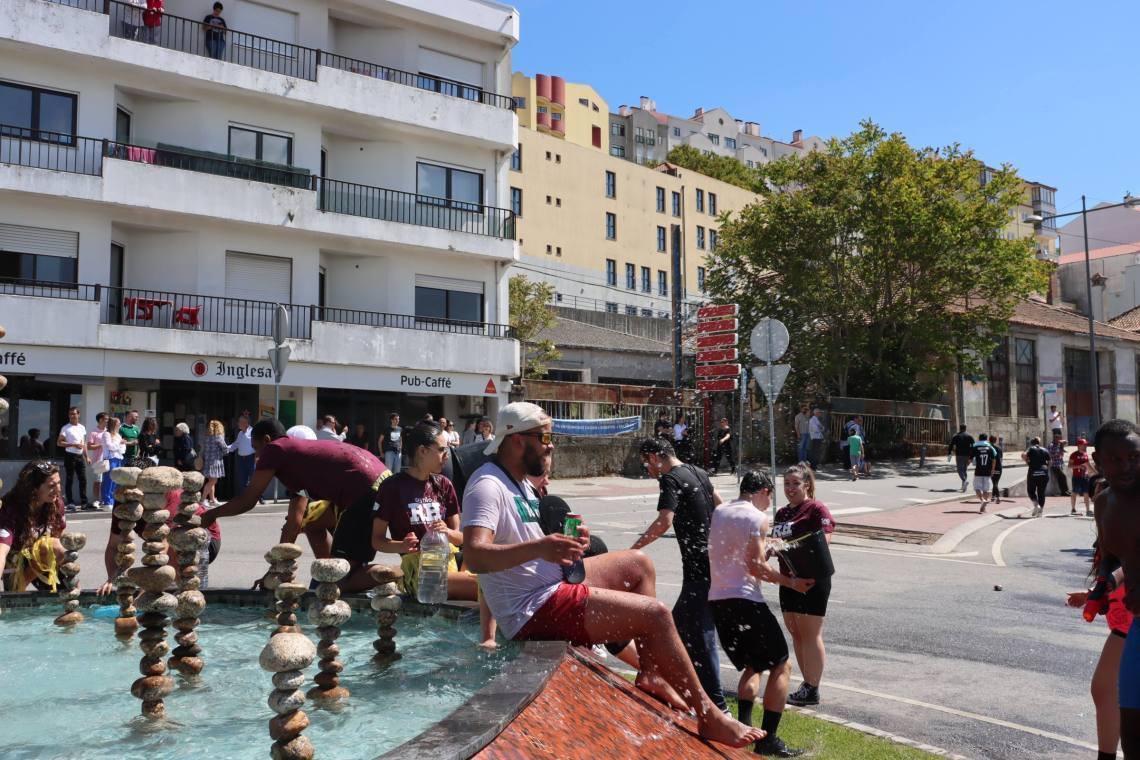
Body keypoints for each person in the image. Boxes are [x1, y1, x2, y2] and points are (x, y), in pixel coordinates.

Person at [459, 402, 764, 748]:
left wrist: (573, 540)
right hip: (531, 609)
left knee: (640, 564)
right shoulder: (487, 485)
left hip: (552, 586)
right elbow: (475, 556)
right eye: (544, 437)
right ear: (516, 440)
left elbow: (530, 542)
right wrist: (540, 548)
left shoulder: (522, 484)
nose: (551, 445)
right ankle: (710, 715)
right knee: (656, 615)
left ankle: (650, 673)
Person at [201, 419, 391, 591]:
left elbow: (248, 501)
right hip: (380, 478)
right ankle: (327, 572)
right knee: (313, 524)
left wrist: (210, 515)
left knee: (341, 583)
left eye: (256, 448)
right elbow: (295, 524)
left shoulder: (275, 449)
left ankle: (397, 574)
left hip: (366, 490)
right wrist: (275, 572)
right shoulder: (297, 459)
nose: (257, 456)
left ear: (267, 440)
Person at [709, 470, 811, 758]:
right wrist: (791, 582)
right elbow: (755, 566)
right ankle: (768, 739)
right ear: (764, 491)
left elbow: (736, 554)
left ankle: (743, 729)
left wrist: (765, 551)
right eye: (770, 496)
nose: (770, 504)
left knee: (754, 665)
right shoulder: (757, 517)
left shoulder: (720, 512)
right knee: (782, 665)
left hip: (718, 600)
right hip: (745, 600)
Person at [634, 437, 727, 712]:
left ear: (654, 457)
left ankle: (718, 706)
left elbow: (664, 521)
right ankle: (681, 689)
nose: (648, 471)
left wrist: (634, 550)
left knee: (698, 635)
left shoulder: (670, 479)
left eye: (646, 464)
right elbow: (721, 507)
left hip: (699, 569)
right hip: (712, 563)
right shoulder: (698, 472)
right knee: (678, 630)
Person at [372, 423, 482, 606]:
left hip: (452, 561)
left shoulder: (444, 485)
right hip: (421, 571)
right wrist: (403, 546)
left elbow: (461, 538)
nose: (447, 455)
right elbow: (377, 540)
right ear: (423, 451)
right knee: (488, 586)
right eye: (442, 449)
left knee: (500, 575)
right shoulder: (392, 487)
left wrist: (448, 532)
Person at [1089, 419, 1140, 757]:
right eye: (1116, 459)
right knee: (1132, 729)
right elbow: (1112, 556)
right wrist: (1105, 583)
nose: (1127, 466)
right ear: (1098, 460)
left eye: (1134, 457)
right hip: (1138, 624)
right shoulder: (1104, 503)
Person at [773, 463, 836, 707]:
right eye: (787, 484)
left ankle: (812, 687)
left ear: (806, 485)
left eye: (795, 483)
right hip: (789, 579)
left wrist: (794, 547)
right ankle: (806, 683)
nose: (790, 488)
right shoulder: (782, 513)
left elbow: (825, 538)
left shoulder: (815, 508)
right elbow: (776, 541)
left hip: (812, 578)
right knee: (796, 632)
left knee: (810, 634)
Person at [1067, 541, 1131, 760]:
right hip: (1126, 627)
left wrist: (1103, 587)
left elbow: (1126, 568)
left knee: (1106, 690)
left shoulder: (1125, 532)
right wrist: (1092, 595)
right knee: (1107, 690)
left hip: (1129, 628)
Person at [0, 461, 67, 592]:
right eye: (51, 486)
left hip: (41, 555)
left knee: (56, 548)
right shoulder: (10, 508)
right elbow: (1, 551)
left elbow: (58, 541)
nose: (58, 490)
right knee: (14, 599)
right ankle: (18, 590)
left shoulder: (56, 504)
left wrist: (71, 578)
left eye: (59, 483)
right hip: (14, 557)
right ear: (33, 488)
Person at [56, 406, 89, 512]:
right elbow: (59, 442)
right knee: (69, 479)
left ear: (78, 415)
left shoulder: (82, 427)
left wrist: (87, 456)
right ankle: (70, 502)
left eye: (74, 414)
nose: (72, 416)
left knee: (83, 479)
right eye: (70, 414)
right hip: (70, 455)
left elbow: (83, 443)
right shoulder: (66, 428)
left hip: (80, 456)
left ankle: (84, 502)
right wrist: (73, 445)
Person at [99, 417, 126, 511]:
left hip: (118, 459)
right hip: (110, 459)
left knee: (116, 481)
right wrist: (119, 444)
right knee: (108, 480)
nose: (120, 425)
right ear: (114, 424)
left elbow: (123, 449)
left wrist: (119, 445)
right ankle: (107, 502)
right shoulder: (106, 434)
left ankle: (113, 500)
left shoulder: (118, 435)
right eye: (118, 423)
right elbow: (110, 446)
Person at [1022, 437, 1051, 518]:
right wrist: (1046, 469)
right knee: (1041, 492)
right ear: (1039, 443)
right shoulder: (1045, 450)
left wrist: (1027, 461)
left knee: (1031, 491)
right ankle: (1040, 511)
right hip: (1043, 473)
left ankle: (1036, 505)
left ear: (1032, 443)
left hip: (1033, 472)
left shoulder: (1030, 449)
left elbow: (1024, 455)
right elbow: (1050, 461)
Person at [227, 414, 255, 494]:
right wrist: (225, 448)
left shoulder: (253, 432)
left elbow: (258, 445)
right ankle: (244, 497)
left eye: (239, 421)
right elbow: (235, 445)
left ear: (246, 423)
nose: (238, 423)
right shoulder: (240, 433)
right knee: (242, 480)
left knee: (254, 479)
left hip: (251, 458)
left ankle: (259, 497)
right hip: (241, 459)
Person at [202, 419, 227, 506]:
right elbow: (225, 449)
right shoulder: (219, 437)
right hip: (215, 462)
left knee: (211, 481)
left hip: (207, 462)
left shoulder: (207, 437)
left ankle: (212, 499)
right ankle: (203, 499)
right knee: (213, 481)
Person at [971, 433, 998, 513]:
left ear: (979, 439)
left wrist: (966, 464)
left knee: (976, 488)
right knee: (986, 489)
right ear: (986, 439)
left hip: (978, 471)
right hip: (987, 472)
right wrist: (992, 470)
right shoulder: (990, 448)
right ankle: (983, 508)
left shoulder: (975, 447)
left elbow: (970, 458)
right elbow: (994, 460)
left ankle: (982, 500)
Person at [1070, 437, 1096, 517]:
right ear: (1079, 445)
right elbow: (1070, 466)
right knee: (1074, 492)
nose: (1085, 446)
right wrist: (1079, 466)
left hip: (1085, 477)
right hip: (1076, 477)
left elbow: (1088, 464)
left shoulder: (1085, 454)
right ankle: (1073, 508)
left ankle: (1088, 510)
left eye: (1086, 445)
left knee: (1086, 493)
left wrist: (1096, 473)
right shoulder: (1074, 455)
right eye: (1084, 445)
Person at [86, 412, 107, 508]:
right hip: (98, 460)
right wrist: (101, 445)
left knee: (106, 481)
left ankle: (105, 499)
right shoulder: (94, 432)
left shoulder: (108, 431)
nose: (108, 421)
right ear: (100, 420)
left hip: (108, 459)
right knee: (98, 481)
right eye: (106, 419)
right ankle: (96, 500)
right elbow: (89, 447)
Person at [948, 424, 974, 493]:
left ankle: (964, 481)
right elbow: (973, 446)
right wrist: (972, 456)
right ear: (965, 428)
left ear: (960, 428)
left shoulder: (956, 436)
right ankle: (964, 486)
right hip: (967, 455)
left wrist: (949, 453)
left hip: (959, 455)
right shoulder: (969, 436)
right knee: (964, 470)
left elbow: (951, 445)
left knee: (959, 470)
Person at [1049, 432, 1070, 497]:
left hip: (1059, 464)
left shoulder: (1058, 445)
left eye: (1059, 439)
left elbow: (1061, 454)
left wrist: (1062, 446)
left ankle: (1065, 491)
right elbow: (1051, 455)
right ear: (1055, 439)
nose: (1059, 440)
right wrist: (1059, 451)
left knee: (1061, 478)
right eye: (1058, 439)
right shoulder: (1051, 445)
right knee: (1063, 477)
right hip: (1054, 465)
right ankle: (1064, 491)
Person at [990, 435, 1005, 505]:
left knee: (994, 483)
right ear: (996, 441)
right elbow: (1001, 459)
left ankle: (998, 497)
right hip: (999, 467)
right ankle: (993, 496)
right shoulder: (999, 448)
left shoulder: (989, 448)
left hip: (992, 467)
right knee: (995, 483)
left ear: (989, 440)